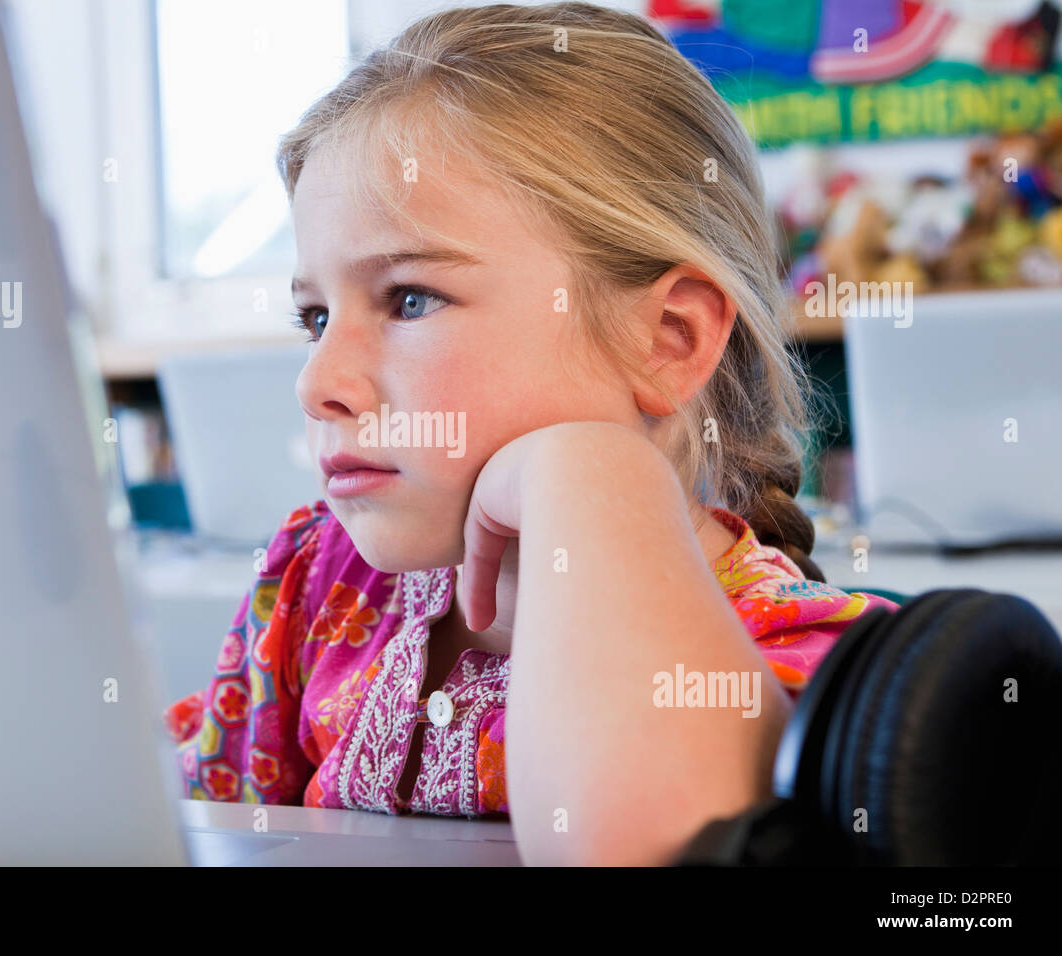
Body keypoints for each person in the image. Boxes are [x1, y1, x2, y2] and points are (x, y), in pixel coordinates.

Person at [164, 2, 899, 865]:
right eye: (315, 317)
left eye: (409, 299)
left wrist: (591, 475)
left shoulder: (817, 666)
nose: (318, 382)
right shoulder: (319, 587)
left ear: (667, 342)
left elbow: (642, 848)